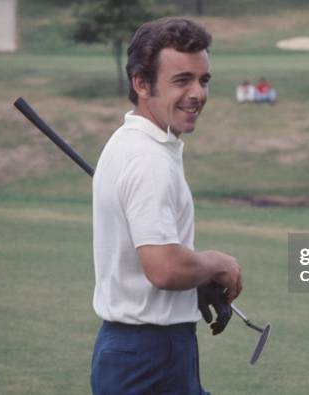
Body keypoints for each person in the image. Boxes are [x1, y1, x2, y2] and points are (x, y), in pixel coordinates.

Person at [90, 18, 242, 395]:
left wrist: (195, 282)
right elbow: (164, 267)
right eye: (181, 80)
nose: (197, 93)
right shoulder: (149, 160)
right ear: (141, 83)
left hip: (137, 351)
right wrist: (218, 264)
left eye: (203, 80)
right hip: (151, 357)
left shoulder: (128, 142)